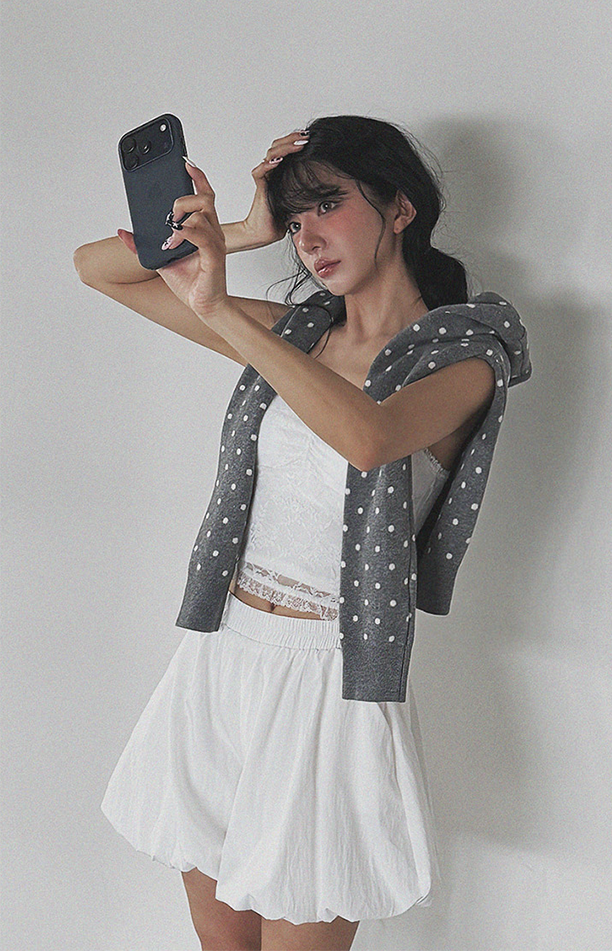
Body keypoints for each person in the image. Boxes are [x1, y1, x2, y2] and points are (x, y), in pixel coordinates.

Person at [74, 115, 530, 951]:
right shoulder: (298, 337)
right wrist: (244, 233)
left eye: (327, 204)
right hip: (224, 655)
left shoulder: (466, 357)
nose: (308, 237)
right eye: (294, 219)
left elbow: (370, 438)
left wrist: (223, 311)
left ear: (400, 207)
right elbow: (96, 268)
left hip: (329, 680)